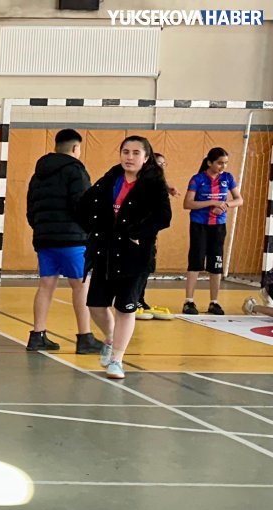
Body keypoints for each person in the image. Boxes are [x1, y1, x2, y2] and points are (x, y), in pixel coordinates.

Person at [79, 136, 172, 380]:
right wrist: (92, 229)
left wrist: (137, 233)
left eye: (135, 153)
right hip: (105, 252)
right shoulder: (111, 178)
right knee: (96, 306)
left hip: (135, 257)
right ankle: (110, 338)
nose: (129, 157)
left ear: (146, 157)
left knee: (125, 308)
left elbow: (164, 216)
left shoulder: (154, 183)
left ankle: (117, 360)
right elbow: (86, 203)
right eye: (125, 151)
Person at [24, 129, 102, 354]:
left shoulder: (38, 173)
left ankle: (37, 335)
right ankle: (84, 337)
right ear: (76, 148)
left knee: (46, 285)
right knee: (80, 285)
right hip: (72, 238)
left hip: (44, 237)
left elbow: (31, 206)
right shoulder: (76, 170)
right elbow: (83, 204)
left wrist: (40, 229)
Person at [183, 147, 244, 315]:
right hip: (199, 225)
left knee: (216, 263)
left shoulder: (228, 178)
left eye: (225, 163)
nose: (223, 166)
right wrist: (211, 203)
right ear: (209, 162)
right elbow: (187, 204)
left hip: (218, 226)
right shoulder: (198, 179)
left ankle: (214, 302)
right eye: (219, 163)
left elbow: (239, 200)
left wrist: (225, 205)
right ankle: (189, 301)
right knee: (196, 261)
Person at [132, 152, 179, 320]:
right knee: (139, 266)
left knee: (148, 265)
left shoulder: (157, 184)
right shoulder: (141, 182)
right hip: (138, 231)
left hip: (150, 233)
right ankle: (133, 299)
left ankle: (140, 299)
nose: (161, 166)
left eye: (163, 164)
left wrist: (167, 189)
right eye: (158, 163)